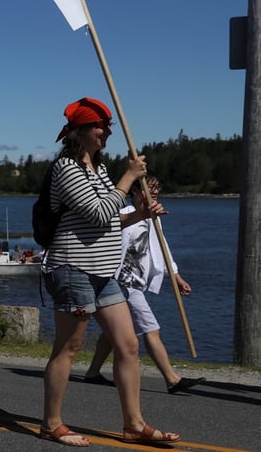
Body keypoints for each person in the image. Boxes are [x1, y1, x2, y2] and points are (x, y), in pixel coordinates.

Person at [39, 97, 179, 447]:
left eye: (108, 126)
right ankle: (51, 423)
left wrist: (140, 214)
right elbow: (98, 214)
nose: (107, 132)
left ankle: (133, 424)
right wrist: (129, 176)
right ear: (80, 131)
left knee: (128, 345)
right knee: (69, 348)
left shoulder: (99, 170)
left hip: (103, 271)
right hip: (72, 268)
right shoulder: (66, 169)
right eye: (100, 126)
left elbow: (112, 220)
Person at [83, 176, 206, 395]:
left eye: (158, 188)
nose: (156, 192)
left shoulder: (153, 218)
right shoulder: (124, 215)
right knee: (151, 328)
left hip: (136, 283)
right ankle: (172, 379)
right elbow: (109, 241)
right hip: (121, 283)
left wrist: (176, 277)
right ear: (137, 192)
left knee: (113, 333)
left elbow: (162, 248)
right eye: (150, 188)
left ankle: (92, 372)